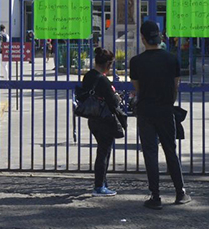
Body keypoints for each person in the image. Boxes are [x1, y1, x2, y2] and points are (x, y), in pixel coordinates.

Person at [129, 20, 191, 209]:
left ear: (142, 38)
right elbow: (175, 86)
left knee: (150, 153)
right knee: (170, 150)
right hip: (165, 109)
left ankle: (155, 196)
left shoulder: (136, 62)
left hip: (146, 110)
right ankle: (180, 192)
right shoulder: (171, 59)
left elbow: (138, 89)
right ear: (159, 36)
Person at [81, 47, 124, 196]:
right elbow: (113, 101)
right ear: (107, 64)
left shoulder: (88, 76)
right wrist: (116, 97)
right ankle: (99, 185)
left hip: (92, 118)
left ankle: (102, 182)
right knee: (104, 153)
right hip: (104, 119)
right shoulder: (103, 80)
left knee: (102, 150)